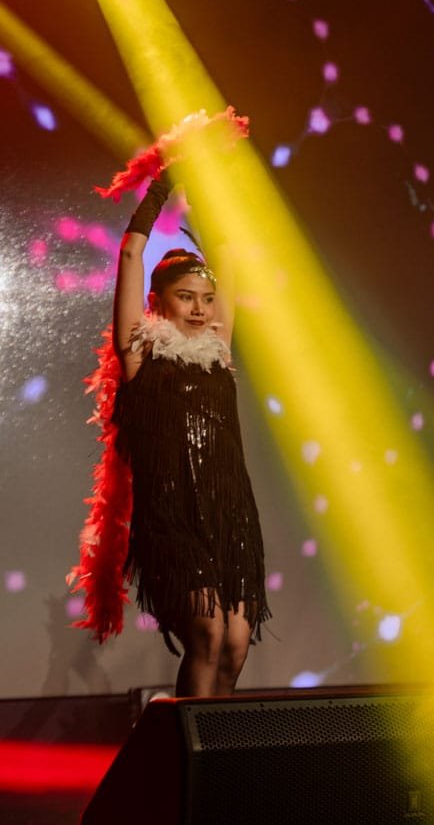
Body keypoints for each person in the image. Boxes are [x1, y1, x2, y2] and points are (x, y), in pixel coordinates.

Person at [73, 176, 270, 696]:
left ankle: (215, 745)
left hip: (230, 517)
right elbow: (130, 255)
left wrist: (203, 191)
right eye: (186, 298)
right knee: (207, 633)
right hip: (171, 518)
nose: (201, 309)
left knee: (235, 644)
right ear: (156, 302)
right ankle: (186, 744)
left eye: (207, 299)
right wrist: (162, 187)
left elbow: (227, 261)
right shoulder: (139, 354)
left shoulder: (218, 349)